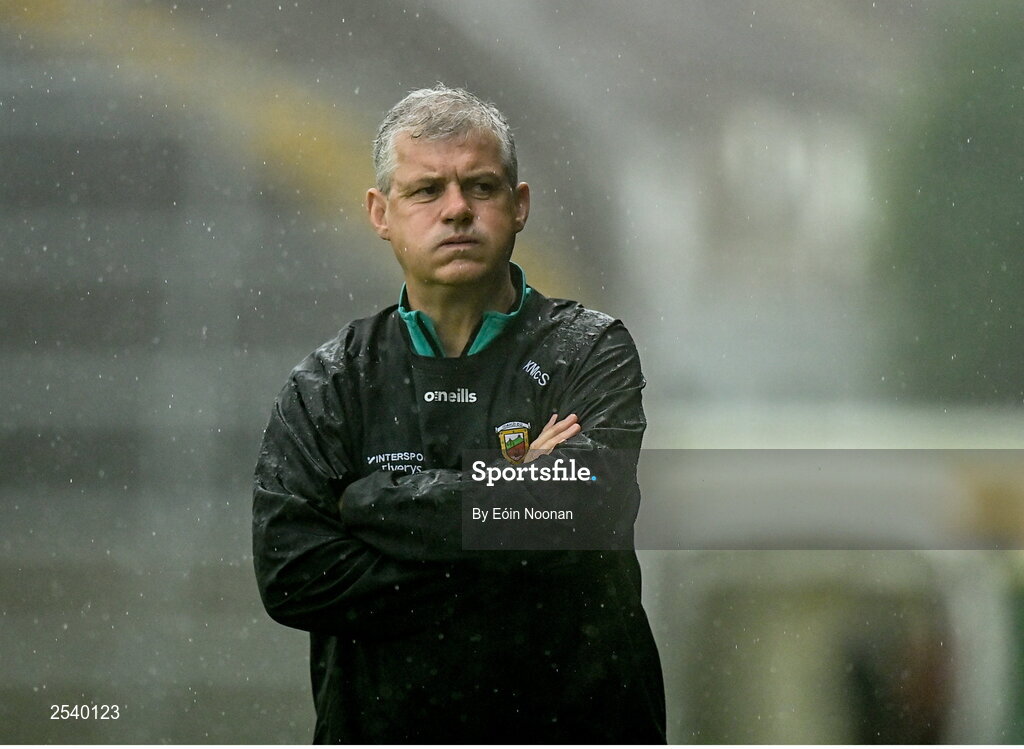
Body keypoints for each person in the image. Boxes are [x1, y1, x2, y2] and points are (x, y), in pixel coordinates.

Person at [252, 84, 666, 744]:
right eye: (426, 191)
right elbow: (293, 576)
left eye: (480, 187)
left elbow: (588, 508)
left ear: (519, 204)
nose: (456, 211)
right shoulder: (329, 382)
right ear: (379, 212)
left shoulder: (589, 349)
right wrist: (513, 516)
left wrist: (375, 503)